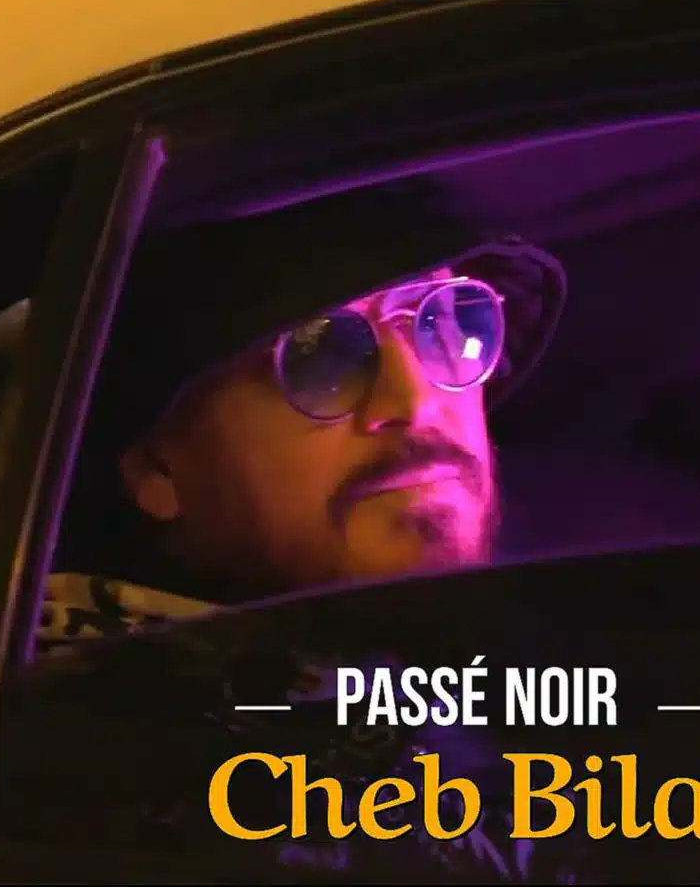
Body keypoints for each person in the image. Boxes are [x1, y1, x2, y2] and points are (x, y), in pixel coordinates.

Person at [39, 177, 566, 652]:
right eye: (320, 352)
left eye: (443, 322)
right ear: (156, 467)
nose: (415, 402)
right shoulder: (85, 708)